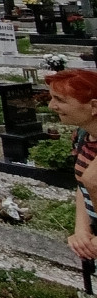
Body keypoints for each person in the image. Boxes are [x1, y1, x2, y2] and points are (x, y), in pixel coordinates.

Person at [44, 69, 97, 260]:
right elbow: (83, 186)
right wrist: (81, 230)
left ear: (94, 106)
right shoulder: (82, 136)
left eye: (60, 99)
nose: (51, 106)